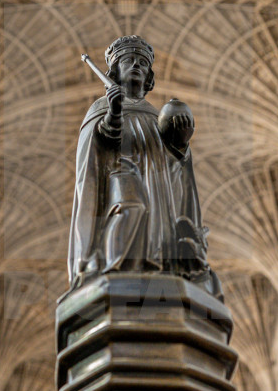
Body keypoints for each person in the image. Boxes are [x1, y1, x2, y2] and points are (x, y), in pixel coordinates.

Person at [68, 36, 220, 296]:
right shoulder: (101, 107)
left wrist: (180, 145)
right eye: (128, 61)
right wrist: (114, 113)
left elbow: (173, 166)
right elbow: (101, 145)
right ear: (115, 71)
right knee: (132, 206)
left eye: (142, 63)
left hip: (157, 186)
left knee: (153, 220)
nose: (136, 65)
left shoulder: (156, 115)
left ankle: (158, 268)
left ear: (150, 75)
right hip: (121, 173)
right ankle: (115, 270)